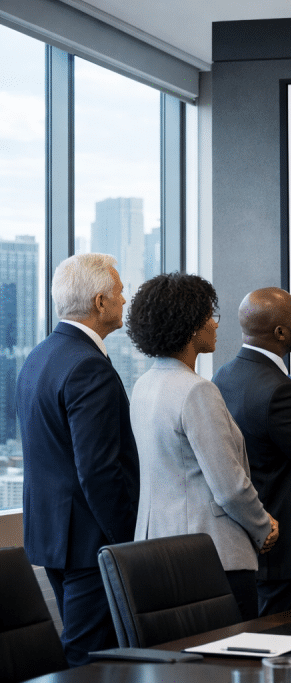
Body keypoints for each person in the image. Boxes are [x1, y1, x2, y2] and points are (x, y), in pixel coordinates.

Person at [125, 273, 279, 620]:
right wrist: (263, 526)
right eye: (209, 315)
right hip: (212, 558)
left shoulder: (143, 385)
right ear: (191, 325)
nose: (215, 324)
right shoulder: (197, 390)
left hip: (158, 551)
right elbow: (230, 487)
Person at [15, 253, 140, 666]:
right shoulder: (89, 365)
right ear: (100, 303)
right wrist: (127, 540)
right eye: (120, 292)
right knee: (90, 659)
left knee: (82, 649)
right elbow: (99, 470)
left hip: (51, 534)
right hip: (90, 543)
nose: (125, 300)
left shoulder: (38, 356)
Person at [212, 287, 291, 616]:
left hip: (248, 542)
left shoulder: (223, 376)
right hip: (287, 551)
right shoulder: (281, 392)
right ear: (280, 332)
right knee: (288, 640)